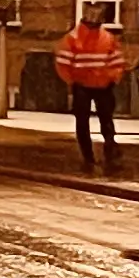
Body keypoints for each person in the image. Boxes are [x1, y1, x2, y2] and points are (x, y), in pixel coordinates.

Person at [58, 11, 128, 174]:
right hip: (91, 85)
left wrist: (112, 77)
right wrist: (111, 78)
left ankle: (100, 153)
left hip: (95, 85)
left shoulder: (75, 37)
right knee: (99, 120)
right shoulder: (76, 38)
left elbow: (116, 62)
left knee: (95, 121)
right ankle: (98, 154)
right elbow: (63, 64)